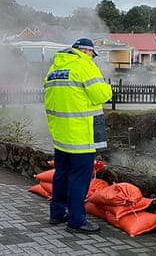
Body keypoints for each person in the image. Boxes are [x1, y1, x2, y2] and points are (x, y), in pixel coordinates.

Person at [43, 38, 113, 234]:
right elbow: (102, 95)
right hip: (81, 135)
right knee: (79, 180)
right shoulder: (85, 66)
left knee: (61, 175)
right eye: (92, 54)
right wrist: (107, 87)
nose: (92, 57)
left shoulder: (54, 69)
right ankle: (76, 221)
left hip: (61, 135)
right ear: (86, 51)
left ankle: (57, 214)